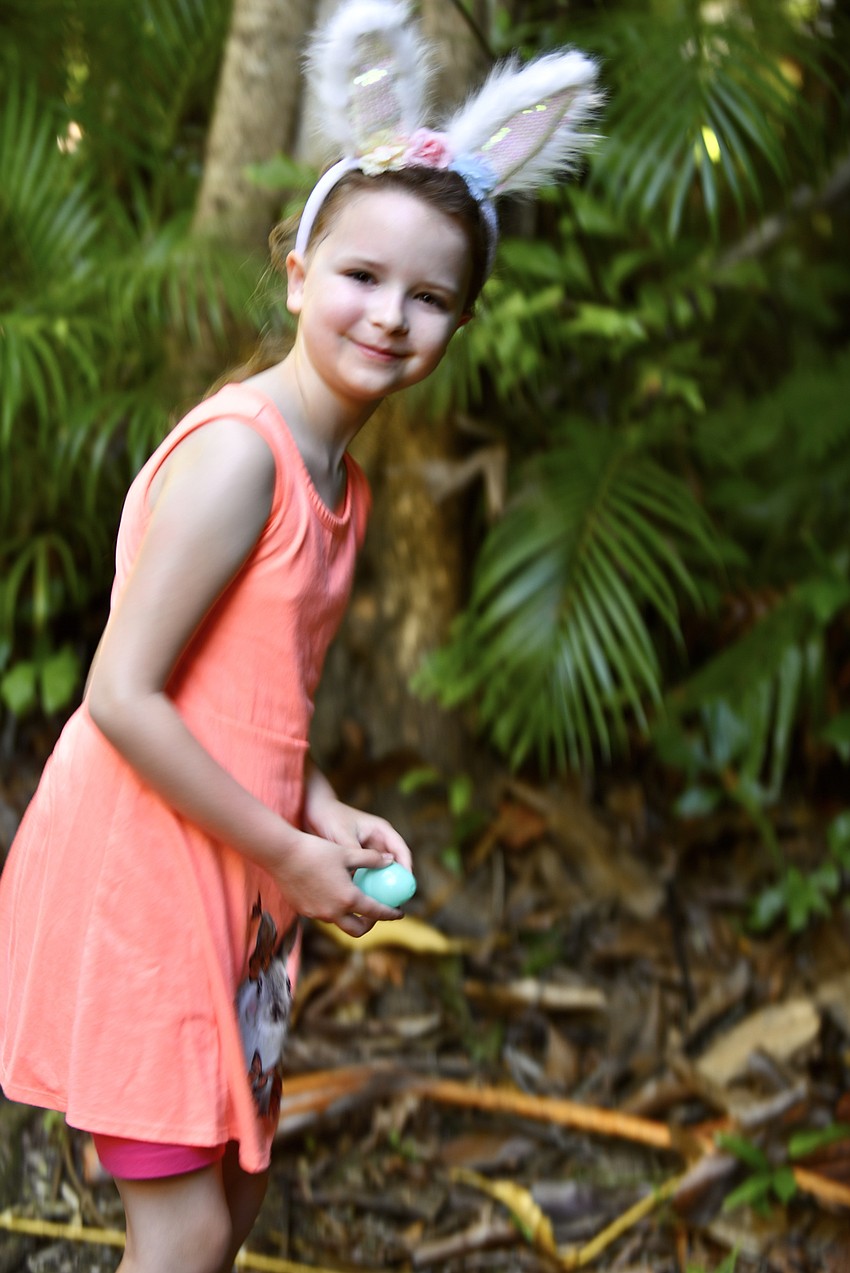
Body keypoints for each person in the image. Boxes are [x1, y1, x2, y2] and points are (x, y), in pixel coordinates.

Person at [0, 3, 599, 1269]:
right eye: (361, 277)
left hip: (239, 873)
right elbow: (121, 693)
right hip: (147, 878)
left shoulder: (345, 481)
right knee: (186, 1228)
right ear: (296, 269)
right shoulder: (241, 463)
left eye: (430, 297)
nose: (390, 317)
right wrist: (286, 843)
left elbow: (243, 692)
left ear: (460, 322)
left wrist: (317, 806)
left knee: (234, 1201)